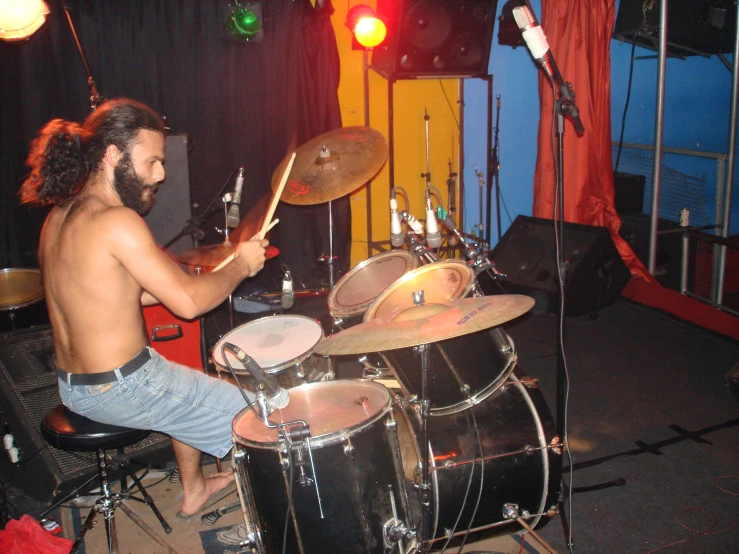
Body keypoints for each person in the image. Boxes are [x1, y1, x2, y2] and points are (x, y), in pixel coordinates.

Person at [19, 98, 267, 521]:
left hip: (74, 386)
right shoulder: (117, 221)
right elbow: (189, 305)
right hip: (122, 387)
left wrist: (201, 275)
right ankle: (280, 518)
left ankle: (195, 487)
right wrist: (242, 265)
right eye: (152, 160)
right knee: (259, 418)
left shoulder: (60, 216)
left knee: (184, 382)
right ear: (114, 154)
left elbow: (120, 293)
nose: (161, 173)